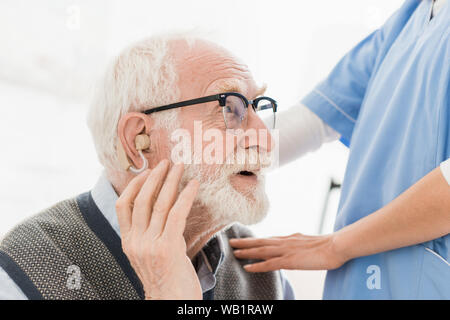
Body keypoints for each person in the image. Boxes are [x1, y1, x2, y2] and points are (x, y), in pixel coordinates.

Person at [0, 35, 294, 300]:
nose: (266, 140)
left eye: (257, 107)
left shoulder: (263, 272)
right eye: (229, 108)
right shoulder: (23, 271)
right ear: (137, 141)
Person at [230, 0, 450, 299]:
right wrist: (191, 158)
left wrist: (334, 246)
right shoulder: (408, 21)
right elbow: (314, 120)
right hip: (360, 280)